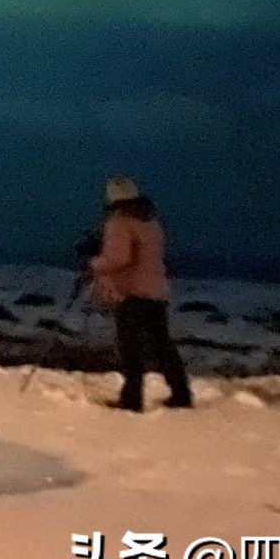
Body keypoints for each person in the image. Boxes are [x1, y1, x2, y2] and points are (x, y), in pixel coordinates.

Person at [87, 175, 192, 412]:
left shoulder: (120, 221)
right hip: (155, 292)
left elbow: (119, 258)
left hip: (131, 293)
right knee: (162, 346)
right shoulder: (151, 221)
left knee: (130, 350)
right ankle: (181, 393)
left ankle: (131, 401)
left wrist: (95, 263)